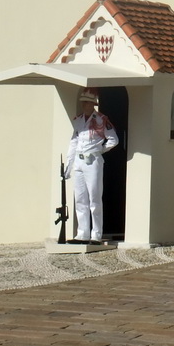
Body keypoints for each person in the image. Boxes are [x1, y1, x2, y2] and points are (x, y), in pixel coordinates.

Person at [63, 88, 118, 245]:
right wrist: (69, 164)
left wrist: (99, 150)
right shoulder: (78, 120)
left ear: (93, 104)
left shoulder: (101, 120)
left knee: (94, 198)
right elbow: (74, 141)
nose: (84, 105)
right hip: (79, 161)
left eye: (87, 102)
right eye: (83, 102)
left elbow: (113, 139)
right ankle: (82, 233)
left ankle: (96, 234)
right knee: (80, 198)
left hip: (92, 161)